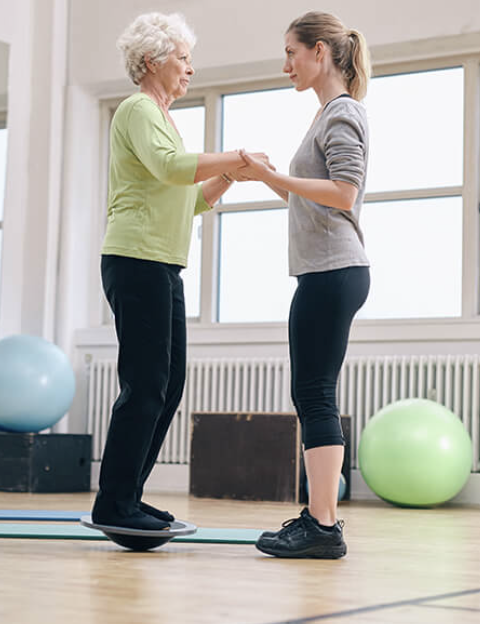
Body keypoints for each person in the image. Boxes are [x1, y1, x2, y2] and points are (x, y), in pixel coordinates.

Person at [92, 12, 268, 530]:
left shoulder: (164, 120)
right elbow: (172, 168)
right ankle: (114, 503)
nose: (191, 69)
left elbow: (187, 199)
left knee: (167, 385)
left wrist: (231, 177)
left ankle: (129, 495)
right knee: (145, 384)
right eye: (183, 58)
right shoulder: (138, 109)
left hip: (162, 265)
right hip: (136, 259)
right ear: (151, 61)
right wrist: (232, 154)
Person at [237, 11, 371, 558]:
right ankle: (321, 520)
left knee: (315, 395)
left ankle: (322, 525)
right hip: (326, 270)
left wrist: (274, 176)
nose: (285, 63)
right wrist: (268, 180)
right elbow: (311, 196)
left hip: (334, 270)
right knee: (311, 393)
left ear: (320, 52)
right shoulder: (327, 115)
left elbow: (343, 192)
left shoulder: (342, 113)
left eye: (291, 51)